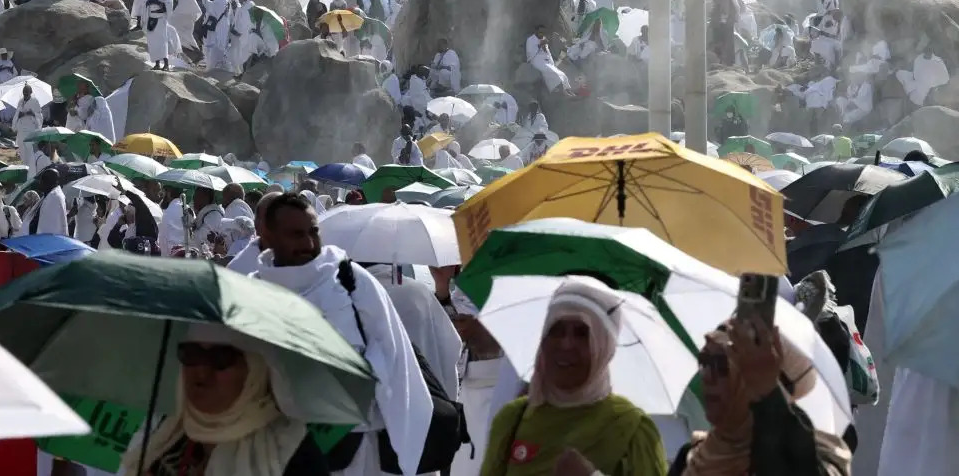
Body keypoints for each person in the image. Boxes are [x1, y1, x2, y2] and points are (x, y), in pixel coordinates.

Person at [253, 194, 437, 476]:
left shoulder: (352, 281)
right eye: (296, 234)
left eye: (313, 232)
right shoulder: (255, 291)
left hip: (360, 443)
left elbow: (395, 357)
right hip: (284, 443)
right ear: (268, 235)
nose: (308, 243)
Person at [481, 276, 666, 476]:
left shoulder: (632, 429)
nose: (566, 344)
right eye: (556, 331)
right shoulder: (512, 419)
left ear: (604, 346)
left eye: (581, 333)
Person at [119, 324, 333, 476]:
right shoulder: (167, 433)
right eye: (191, 354)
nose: (201, 373)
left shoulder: (288, 452)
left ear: (255, 370)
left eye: (220, 359)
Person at [671, 318, 850, 476]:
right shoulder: (693, 456)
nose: (706, 376)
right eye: (704, 361)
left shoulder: (824, 458)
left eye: (722, 365)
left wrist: (769, 398)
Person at [137, 0, 176, 70]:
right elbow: (144, 4)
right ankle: (157, 64)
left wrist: (158, 3)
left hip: (161, 19)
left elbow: (169, 5)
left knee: (162, 42)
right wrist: (149, 2)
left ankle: (166, 64)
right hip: (151, 19)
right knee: (153, 43)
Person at [25, 168, 71, 237]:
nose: (40, 183)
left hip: (46, 241)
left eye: (42, 180)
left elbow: (49, 227)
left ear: (48, 182)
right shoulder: (48, 195)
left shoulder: (54, 198)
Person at [526, 25, 571, 94]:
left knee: (562, 74)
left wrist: (544, 46)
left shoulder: (543, 38)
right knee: (551, 72)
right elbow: (530, 52)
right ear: (536, 31)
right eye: (540, 32)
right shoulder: (530, 40)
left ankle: (568, 90)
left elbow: (547, 52)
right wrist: (539, 45)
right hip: (536, 60)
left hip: (546, 61)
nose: (542, 34)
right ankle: (561, 91)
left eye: (543, 32)